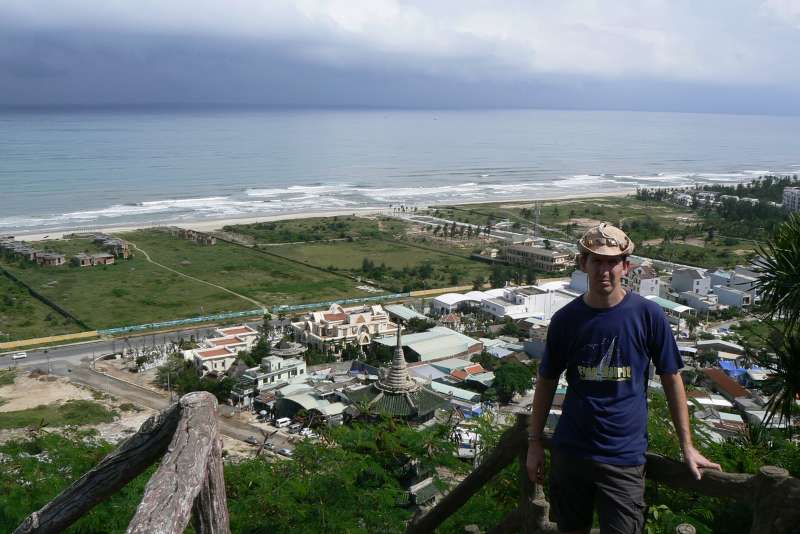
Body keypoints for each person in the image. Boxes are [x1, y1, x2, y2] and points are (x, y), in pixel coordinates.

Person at [525, 223, 721, 533]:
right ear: (582, 264)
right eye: (596, 261)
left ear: (625, 266)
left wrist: (687, 445)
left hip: (624, 458)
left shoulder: (648, 315)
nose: (605, 270)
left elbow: (672, 379)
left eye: (612, 261)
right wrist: (535, 443)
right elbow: (546, 381)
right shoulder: (566, 320)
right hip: (571, 453)